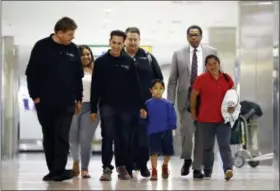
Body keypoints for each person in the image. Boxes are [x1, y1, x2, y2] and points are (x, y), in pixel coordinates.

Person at [25, 17, 83, 181]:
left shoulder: (73, 49)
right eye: (70, 34)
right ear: (59, 33)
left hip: (67, 102)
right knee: (49, 135)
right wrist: (35, 96)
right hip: (44, 102)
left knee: (62, 135)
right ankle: (54, 170)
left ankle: (59, 170)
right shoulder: (41, 47)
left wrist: (78, 98)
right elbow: (31, 73)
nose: (73, 37)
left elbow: (77, 76)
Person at [90, 30, 146, 181]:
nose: (116, 46)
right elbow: (95, 86)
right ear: (109, 42)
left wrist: (141, 106)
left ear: (123, 44)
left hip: (126, 107)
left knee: (123, 137)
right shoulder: (101, 62)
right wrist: (93, 108)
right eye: (113, 43)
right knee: (107, 135)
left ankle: (122, 167)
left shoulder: (129, 61)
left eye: (119, 43)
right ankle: (107, 168)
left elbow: (136, 86)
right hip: (107, 105)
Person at [167, 25, 218, 179]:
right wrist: (169, 103)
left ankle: (197, 168)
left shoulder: (212, 52)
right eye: (191, 35)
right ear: (187, 37)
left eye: (196, 35)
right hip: (185, 99)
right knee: (187, 132)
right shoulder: (178, 54)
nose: (194, 38)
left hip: (206, 99)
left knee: (201, 135)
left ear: (201, 36)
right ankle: (187, 159)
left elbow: (217, 75)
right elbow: (172, 81)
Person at [124, 27, 164, 178]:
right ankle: (127, 166)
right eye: (130, 39)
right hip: (125, 105)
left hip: (145, 105)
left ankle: (142, 165)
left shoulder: (148, 57)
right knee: (126, 137)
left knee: (142, 137)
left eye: (136, 39)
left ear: (139, 40)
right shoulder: (119, 57)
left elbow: (159, 78)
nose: (133, 42)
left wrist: (155, 94)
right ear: (125, 40)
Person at [190, 55, 234, 181]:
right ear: (206, 66)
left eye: (214, 63)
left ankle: (228, 169)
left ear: (219, 64)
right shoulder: (201, 79)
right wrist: (193, 111)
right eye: (209, 64)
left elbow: (233, 95)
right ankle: (208, 171)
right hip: (205, 119)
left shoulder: (227, 78)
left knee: (224, 144)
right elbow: (193, 96)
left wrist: (233, 106)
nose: (212, 66)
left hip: (223, 118)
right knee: (207, 147)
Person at [69, 45, 100, 178]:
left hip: (92, 108)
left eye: (88, 54)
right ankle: (76, 161)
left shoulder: (96, 71)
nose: (86, 57)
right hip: (74, 107)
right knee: (73, 138)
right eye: (83, 55)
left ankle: (85, 168)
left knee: (85, 139)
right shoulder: (72, 71)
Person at [143, 79, 177, 181]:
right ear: (151, 90)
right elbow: (144, 116)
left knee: (168, 152)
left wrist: (172, 125)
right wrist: (143, 116)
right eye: (155, 88)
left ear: (163, 90)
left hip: (166, 131)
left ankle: (165, 165)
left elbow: (172, 116)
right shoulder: (147, 103)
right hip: (153, 131)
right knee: (154, 152)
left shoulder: (168, 104)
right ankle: (154, 170)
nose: (158, 90)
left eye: (160, 88)